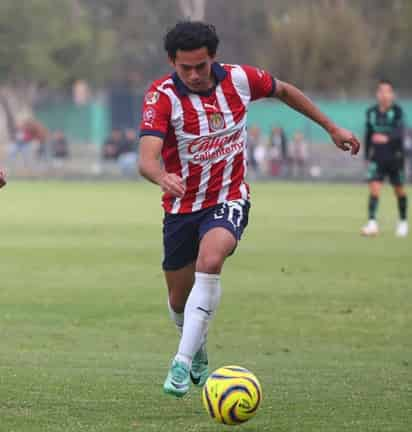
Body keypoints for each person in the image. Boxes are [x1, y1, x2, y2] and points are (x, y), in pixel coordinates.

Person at [138, 21, 360, 398]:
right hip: (181, 208)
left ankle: (180, 362)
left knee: (211, 260)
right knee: (178, 300)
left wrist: (332, 128)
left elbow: (285, 91)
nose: (193, 75)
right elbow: (147, 159)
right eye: (184, 68)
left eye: (201, 66)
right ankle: (198, 349)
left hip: (229, 198)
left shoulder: (241, 80)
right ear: (171, 62)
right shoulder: (161, 97)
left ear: (214, 58)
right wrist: (161, 177)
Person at [361, 80, 408, 237]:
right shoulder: (371, 112)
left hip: (395, 158)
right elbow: (368, 135)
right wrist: (366, 155)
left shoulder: (398, 111)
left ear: (392, 94)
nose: (384, 94)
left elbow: (400, 132)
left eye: (387, 91)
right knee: (374, 188)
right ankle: (372, 222)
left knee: (399, 191)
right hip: (377, 158)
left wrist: (386, 137)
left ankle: (402, 221)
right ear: (377, 94)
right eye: (381, 91)